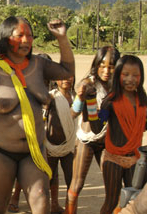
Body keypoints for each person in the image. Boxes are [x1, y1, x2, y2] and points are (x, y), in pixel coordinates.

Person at [0, 16, 74, 213]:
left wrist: (62, 38)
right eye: (19, 35)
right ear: (5, 38)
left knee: (42, 202)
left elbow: (66, 71)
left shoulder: (39, 65)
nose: (26, 40)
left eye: (29, 35)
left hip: (33, 151)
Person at [88, 55, 147, 214]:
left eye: (135, 75)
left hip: (135, 159)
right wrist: (90, 101)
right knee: (111, 202)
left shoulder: (143, 100)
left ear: (141, 76)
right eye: (125, 74)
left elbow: (143, 126)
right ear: (118, 75)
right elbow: (96, 126)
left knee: (135, 200)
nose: (131, 79)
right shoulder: (110, 101)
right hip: (113, 160)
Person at [65, 46, 120, 213]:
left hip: (107, 141)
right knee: (77, 184)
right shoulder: (89, 83)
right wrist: (81, 97)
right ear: (96, 65)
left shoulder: (117, 86)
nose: (107, 70)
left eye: (111, 66)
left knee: (114, 187)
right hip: (87, 140)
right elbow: (73, 113)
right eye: (102, 65)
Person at [44, 76, 77, 213]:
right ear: (55, 80)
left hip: (69, 146)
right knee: (50, 178)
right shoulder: (51, 97)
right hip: (51, 147)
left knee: (72, 179)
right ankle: (51, 206)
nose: (66, 79)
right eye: (62, 77)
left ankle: (70, 209)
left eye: (70, 76)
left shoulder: (75, 97)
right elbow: (42, 117)